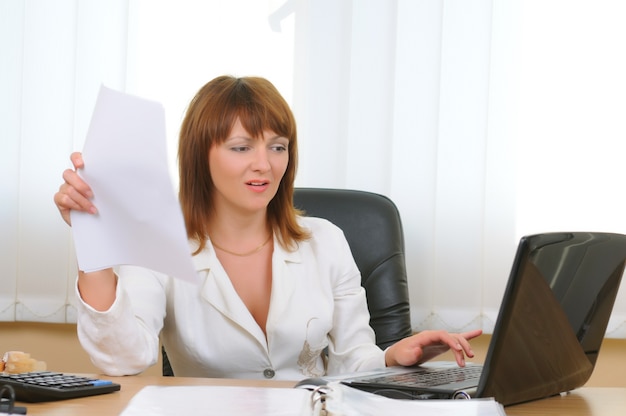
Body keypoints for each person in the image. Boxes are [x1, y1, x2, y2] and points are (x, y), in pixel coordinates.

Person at [54, 75, 481, 379]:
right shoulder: (162, 247)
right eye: (242, 147)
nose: (265, 163)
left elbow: (355, 362)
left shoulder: (326, 241)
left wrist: (392, 358)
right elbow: (123, 358)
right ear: (200, 156)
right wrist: (94, 240)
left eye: (277, 146)